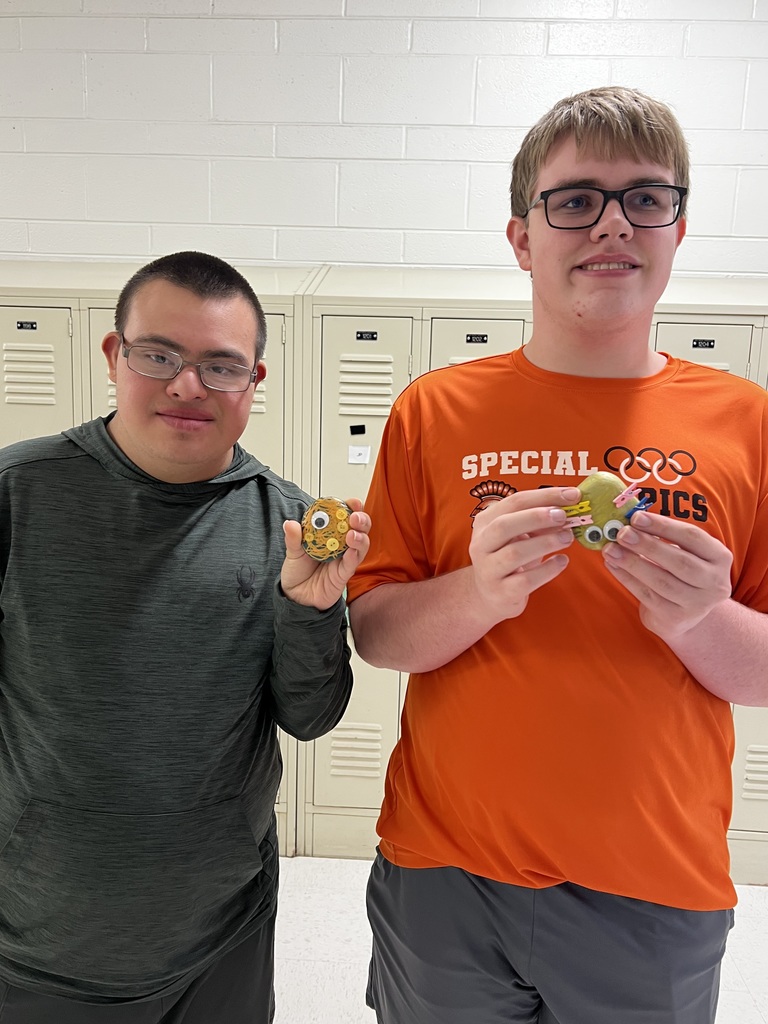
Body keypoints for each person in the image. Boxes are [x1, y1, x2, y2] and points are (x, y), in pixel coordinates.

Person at [347, 86, 768, 1024]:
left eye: (645, 198)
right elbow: (375, 634)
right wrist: (481, 593)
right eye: (575, 199)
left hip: (655, 883)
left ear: (678, 229)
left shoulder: (748, 422)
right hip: (444, 874)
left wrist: (700, 616)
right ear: (521, 238)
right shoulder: (434, 410)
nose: (613, 223)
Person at [0, 251, 370, 1023]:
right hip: (34, 945)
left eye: (220, 366)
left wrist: (309, 609)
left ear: (254, 382)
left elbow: (310, 716)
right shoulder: (19, 493)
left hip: (221, 939)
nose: (188, 386)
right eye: (159, 355)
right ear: (114, 354)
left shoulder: (289, 525)